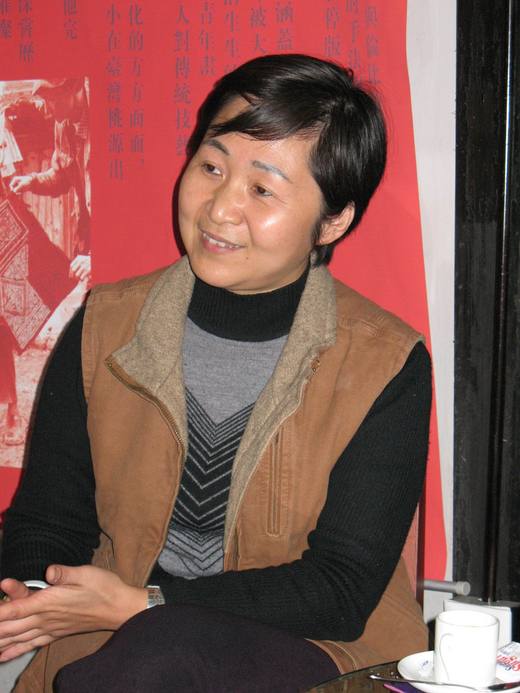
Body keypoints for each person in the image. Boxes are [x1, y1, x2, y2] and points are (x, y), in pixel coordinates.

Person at [0, 54, 431, 692]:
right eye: (211, 167)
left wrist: (147, 605)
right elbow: (48, 522)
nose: (220, 208)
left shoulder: (384, 362)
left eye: (262, 189)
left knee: (163, 652)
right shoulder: (104, 326)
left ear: (333, 220)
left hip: (314, 647)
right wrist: (36, 598)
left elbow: (339, 590)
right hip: (113, 638)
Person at [9, 78, 91, 284]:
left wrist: (100, 258)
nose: (46, 108)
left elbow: (129, 209)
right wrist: (32, 181)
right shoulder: (63, 125)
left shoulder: (107, 122)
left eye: (52, 98)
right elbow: (60, 176)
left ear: (75, 89)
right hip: (86, 238)